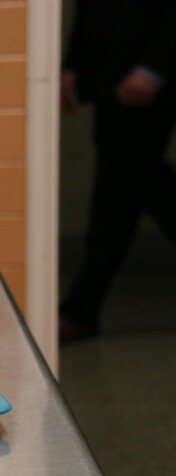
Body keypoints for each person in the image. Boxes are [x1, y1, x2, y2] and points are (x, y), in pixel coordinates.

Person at [59, 0, 176, 342]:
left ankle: (80, 308)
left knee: (120, 192)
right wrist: (71, 67)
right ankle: (80, 309)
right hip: (108, 82)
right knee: (135, 186)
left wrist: (154, 68)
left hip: (148, 82)